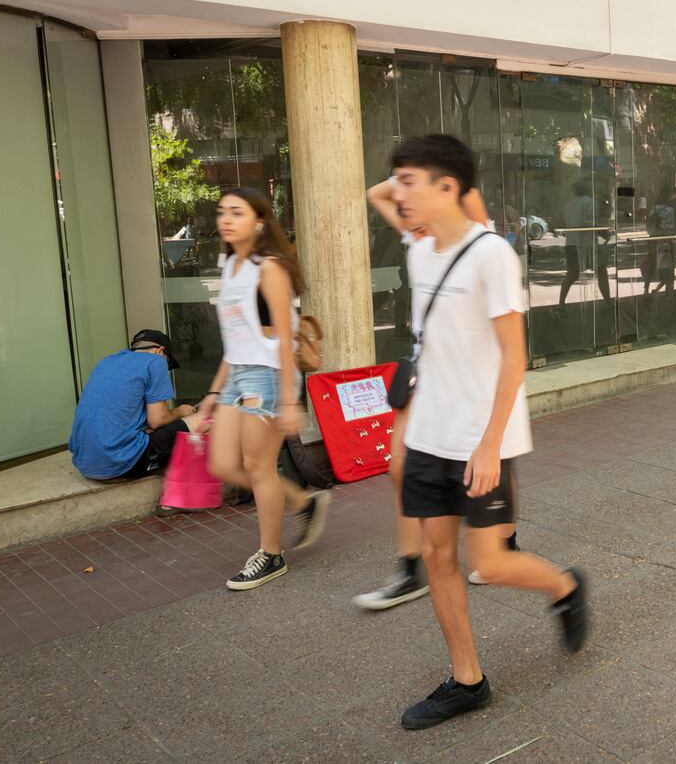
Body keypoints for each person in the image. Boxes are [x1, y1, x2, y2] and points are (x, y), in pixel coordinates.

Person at [384, 135, 586, 730]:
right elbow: (382, 196)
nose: (398, 192)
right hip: (429, 432)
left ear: (449, 188)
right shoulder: (421, 251)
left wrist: (491, 443)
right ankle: (467, 680)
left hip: (480, 438)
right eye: (397, 181)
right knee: (438, 557)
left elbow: (512, 356)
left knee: (490, 564)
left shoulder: (492, 254)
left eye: (410, 180)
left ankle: (565, 586)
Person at [358, 175, 521, 611]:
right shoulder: (420, 242)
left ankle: (500, 537)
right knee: (399, 466)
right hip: (426, 375)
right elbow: (377, 194)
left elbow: (511, 351)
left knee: (475, 472)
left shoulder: (484, 248)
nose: (407, 199)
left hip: (470, 382)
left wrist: (442, 177)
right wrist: (414, 175)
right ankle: (410, 569)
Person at [202, 187, 330, 590]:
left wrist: (290, 399)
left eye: (236, 212)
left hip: (268, 374)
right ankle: (302, 501)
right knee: (221, 465)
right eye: (222, 212)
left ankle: (271, 555)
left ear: (258, 221)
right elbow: (235, 337)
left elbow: (287, 335)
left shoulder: (269, 267)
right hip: (238, 372)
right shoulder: (230, 266)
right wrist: (211, 393)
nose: (226, 219)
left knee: (259, 468)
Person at [67, 330, 207, 482]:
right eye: (167, 363)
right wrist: (180, 411)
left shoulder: (106, 361)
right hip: (119, 464)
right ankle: (200, 485)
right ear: (160, 351)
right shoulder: (156, 361)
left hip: (85, 463)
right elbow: (158, 420)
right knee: (206, 419)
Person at [559, 179, 611, 304]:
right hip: (586, 244)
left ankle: (561, 301)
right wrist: (603, 231)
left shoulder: (570, 204)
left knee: (571, 274)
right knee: (601, 271)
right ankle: (608, 301)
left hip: (571, 243)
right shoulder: (590, 203)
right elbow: (589, 223)